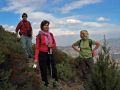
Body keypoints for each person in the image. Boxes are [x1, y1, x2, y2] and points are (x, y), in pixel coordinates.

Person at [33, 20, 58, 88]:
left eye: (47, 25)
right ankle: (45, 83)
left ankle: (55, 80)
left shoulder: (51, 34)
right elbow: (37, 48)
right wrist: (36, 58)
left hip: (50, 52)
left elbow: (54, 44)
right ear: (42, 27)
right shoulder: (39, 36)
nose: (47, 26)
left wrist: (51, 45)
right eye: (45, 25)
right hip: (42, 54)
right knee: (43, 68)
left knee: (53, 67)